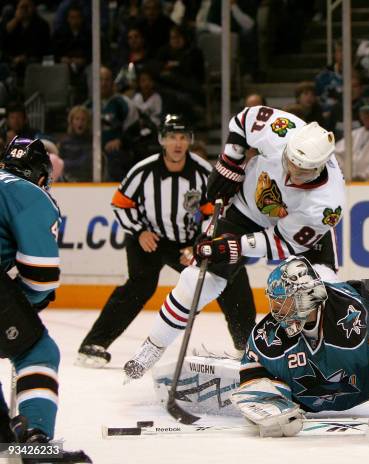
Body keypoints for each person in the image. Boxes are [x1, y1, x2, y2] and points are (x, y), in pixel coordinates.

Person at [123, 106, 345, 380]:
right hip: (246, 209)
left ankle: (324, 365)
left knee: (320, 288)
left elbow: (283, 244)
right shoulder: (285, 130)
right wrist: (230, 162)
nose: (290, 174)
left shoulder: (326, 204)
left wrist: (235, 246)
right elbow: (244, 120)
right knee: (198, 281)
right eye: (289, 162)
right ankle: (153, 346)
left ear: (318, 167)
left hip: (294, 235)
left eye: (301, 172)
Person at [76, 115, 219, 367]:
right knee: (138, 288)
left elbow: (214, 213)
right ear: (162, 139)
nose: (178, 143)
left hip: (187, 243)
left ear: (190, 141)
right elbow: (120, 204)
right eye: (173, 137)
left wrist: (199, 244)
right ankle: (93, 344)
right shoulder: (143, 170)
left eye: (183, 137)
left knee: (226, 276)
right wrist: (139, 231)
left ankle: (244, 343)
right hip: (149, 239)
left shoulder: (203, 172)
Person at [232, 256, 369, 437]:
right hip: (304, 402)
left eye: (284, 302)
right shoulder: (268, 334)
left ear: (306, 297)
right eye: (275, 303)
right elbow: (254, 367)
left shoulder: (353, 311)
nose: (276, 311)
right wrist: (270, 400)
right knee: (278, 424)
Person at [0, 137, 90, 462]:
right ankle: (36, 440)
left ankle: (4, 433)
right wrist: (28, 301)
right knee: (36, 350)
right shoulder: (30, 193)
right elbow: (41, 277)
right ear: (41, 174)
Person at [58, 105, 93, 181]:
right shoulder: (64, 141)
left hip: (85, 180)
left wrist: (65, 163)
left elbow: (84, 163)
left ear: (87, 123)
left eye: (83, 119)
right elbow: (58, 163)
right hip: (66, 180)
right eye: (77, 119)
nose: (80, 122)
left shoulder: (91, 141)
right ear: (71, 121)